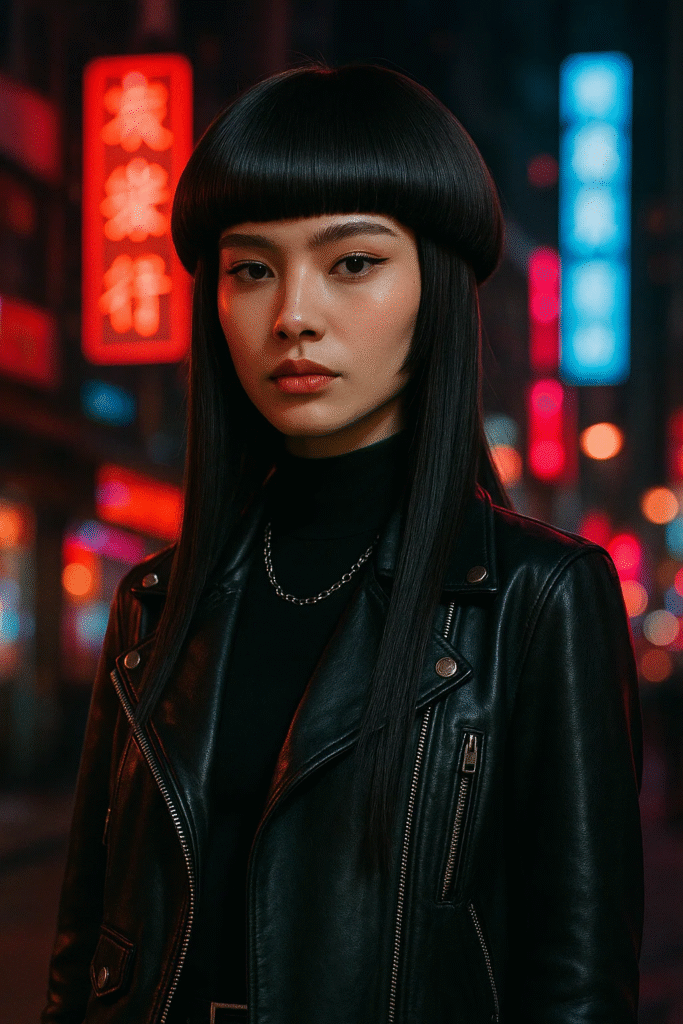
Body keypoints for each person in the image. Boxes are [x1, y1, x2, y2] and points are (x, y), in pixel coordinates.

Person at [42, 63, 643, 1024]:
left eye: (352, 263)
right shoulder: (157, 604)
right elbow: (83, 961)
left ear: (434, 286)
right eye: (250, 269)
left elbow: (574, 986)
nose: (293, 315)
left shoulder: (538, 596)